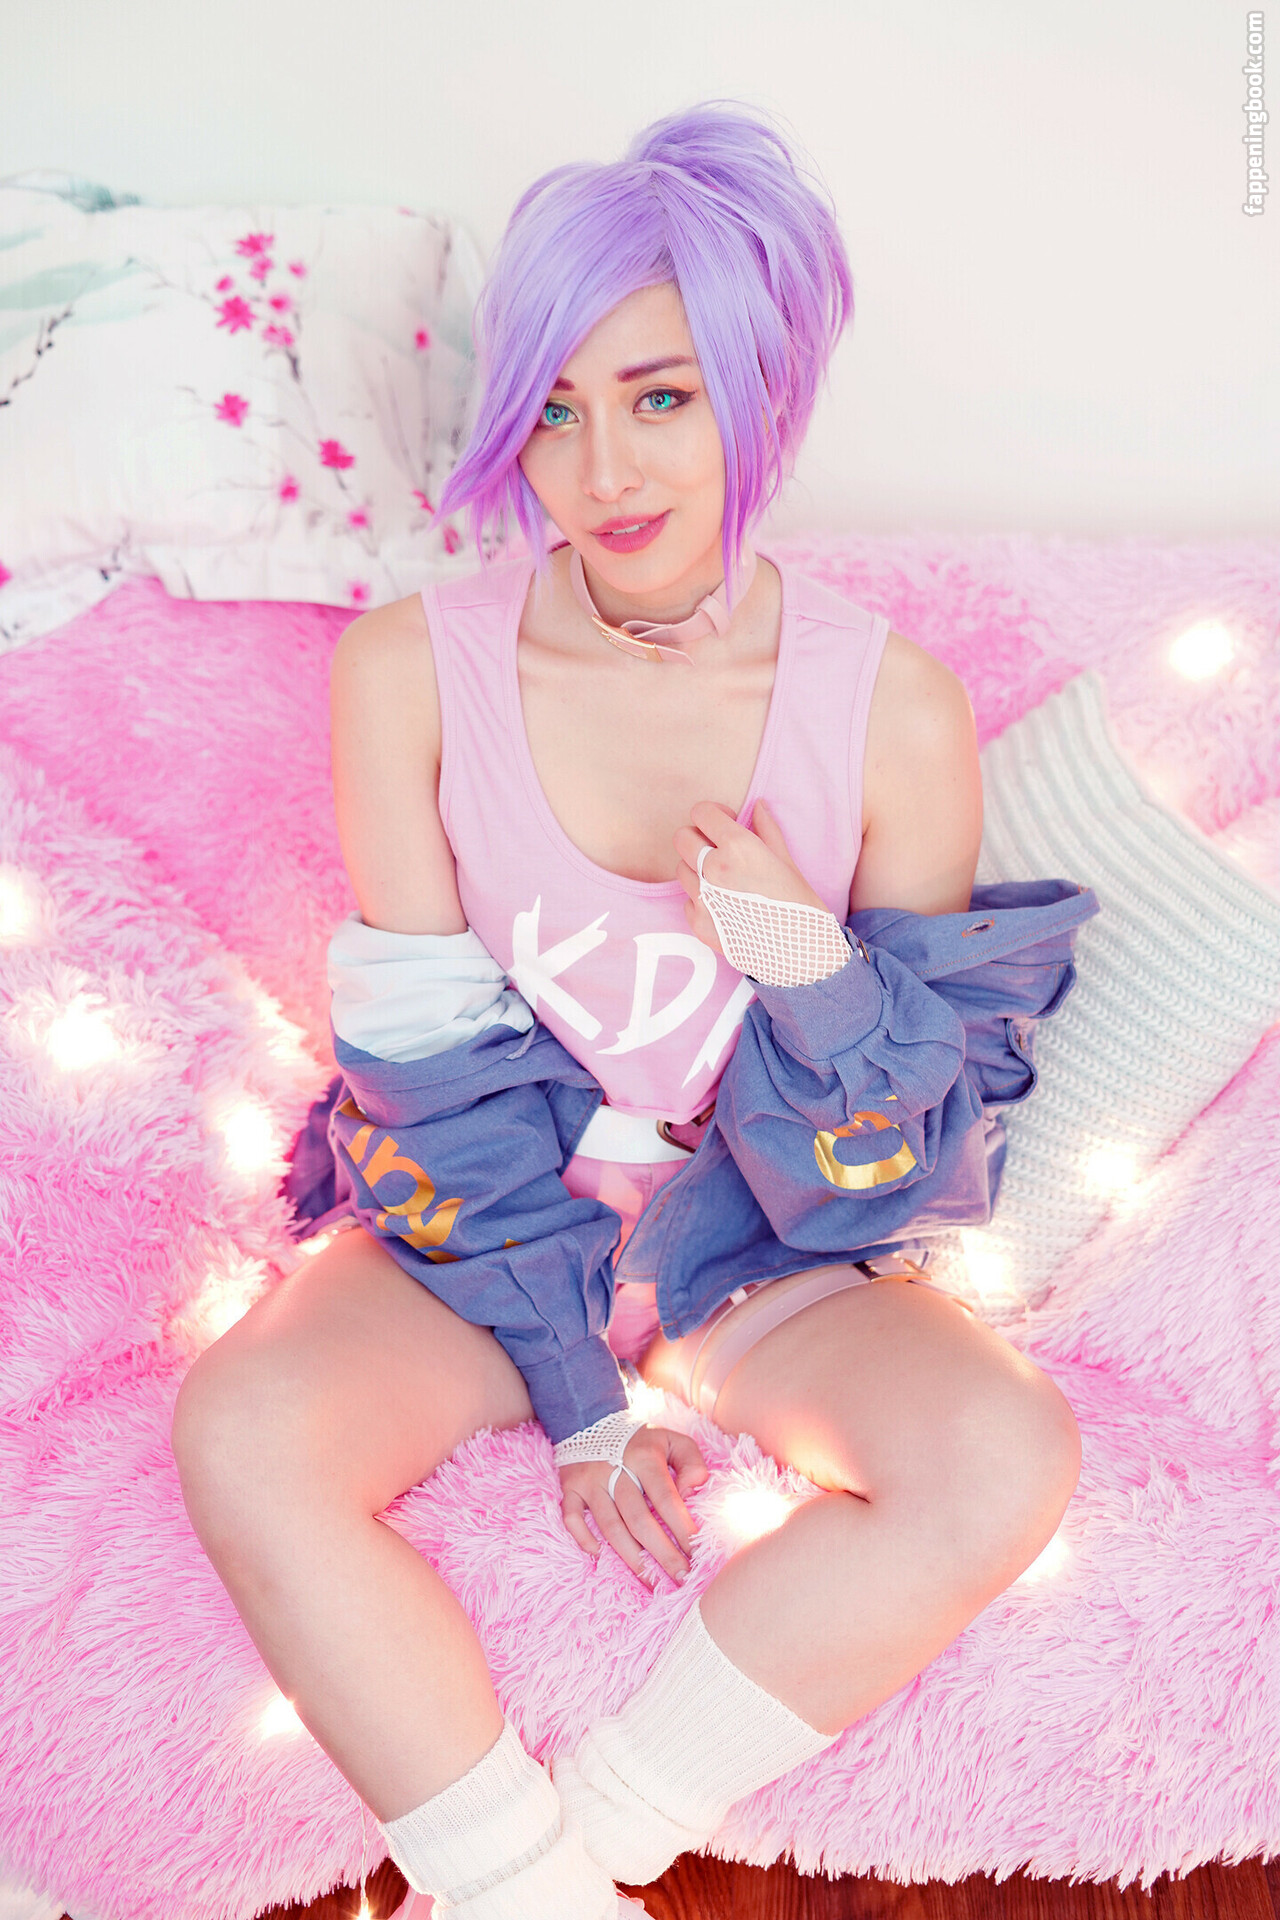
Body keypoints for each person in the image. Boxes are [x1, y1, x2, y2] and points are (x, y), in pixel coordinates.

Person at [170, 100, 1093, 1920]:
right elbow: (425, 1075)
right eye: (558, 409)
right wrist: (582, 1401)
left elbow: (912, 1144)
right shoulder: (411, 671)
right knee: (244, 1430)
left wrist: (809, 966)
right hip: (487, 1235)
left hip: (760, 1252)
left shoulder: (891, 709)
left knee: (1007, 1451)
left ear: (760, 391)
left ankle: (585, 1848)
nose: (603, 470)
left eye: (660, 397)